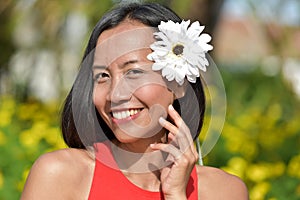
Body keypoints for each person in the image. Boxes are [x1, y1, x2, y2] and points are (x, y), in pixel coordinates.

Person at [21, 2, 248, 200]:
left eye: (133, 73)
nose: (114, 95)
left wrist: (176, 195)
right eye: (102, 76)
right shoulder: (60, 175)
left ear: (178, 83)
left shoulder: (224, 191)